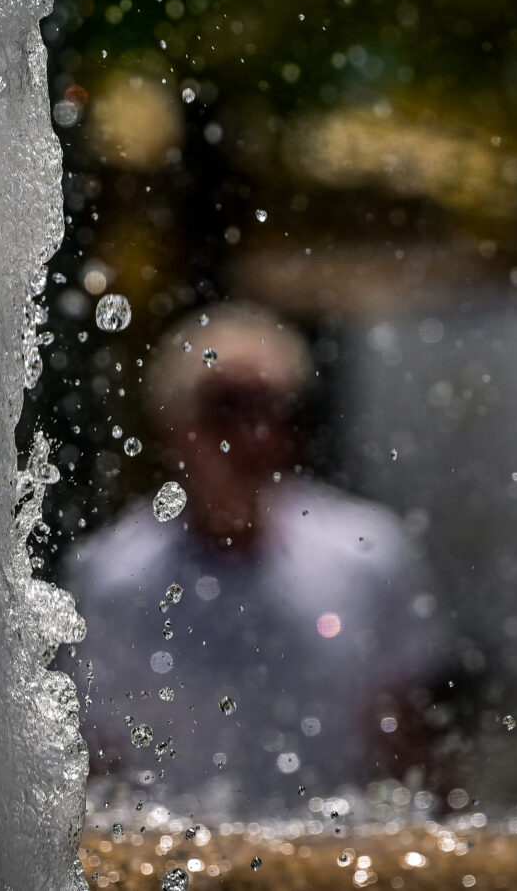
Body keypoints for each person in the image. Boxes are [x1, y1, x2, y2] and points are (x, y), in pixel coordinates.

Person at [62, 303, 452, 814]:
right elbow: (93, 769)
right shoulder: (113, 578)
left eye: (273, 408)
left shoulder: (368, 557)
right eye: (225, 407)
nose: (252, 434)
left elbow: (417, 757)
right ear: (172, 425)